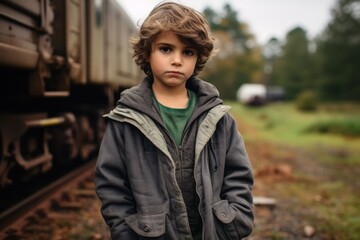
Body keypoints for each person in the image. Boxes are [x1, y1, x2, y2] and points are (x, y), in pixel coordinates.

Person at [94, 1, 254, 239]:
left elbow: (238, 175)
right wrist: (125, 232)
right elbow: (112, 185)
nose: (177, 60)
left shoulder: (219, 118)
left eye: (187, 52)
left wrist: (233, 221)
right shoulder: (125, 120)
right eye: (166, 49)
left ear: (197, 58)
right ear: (148, 52)